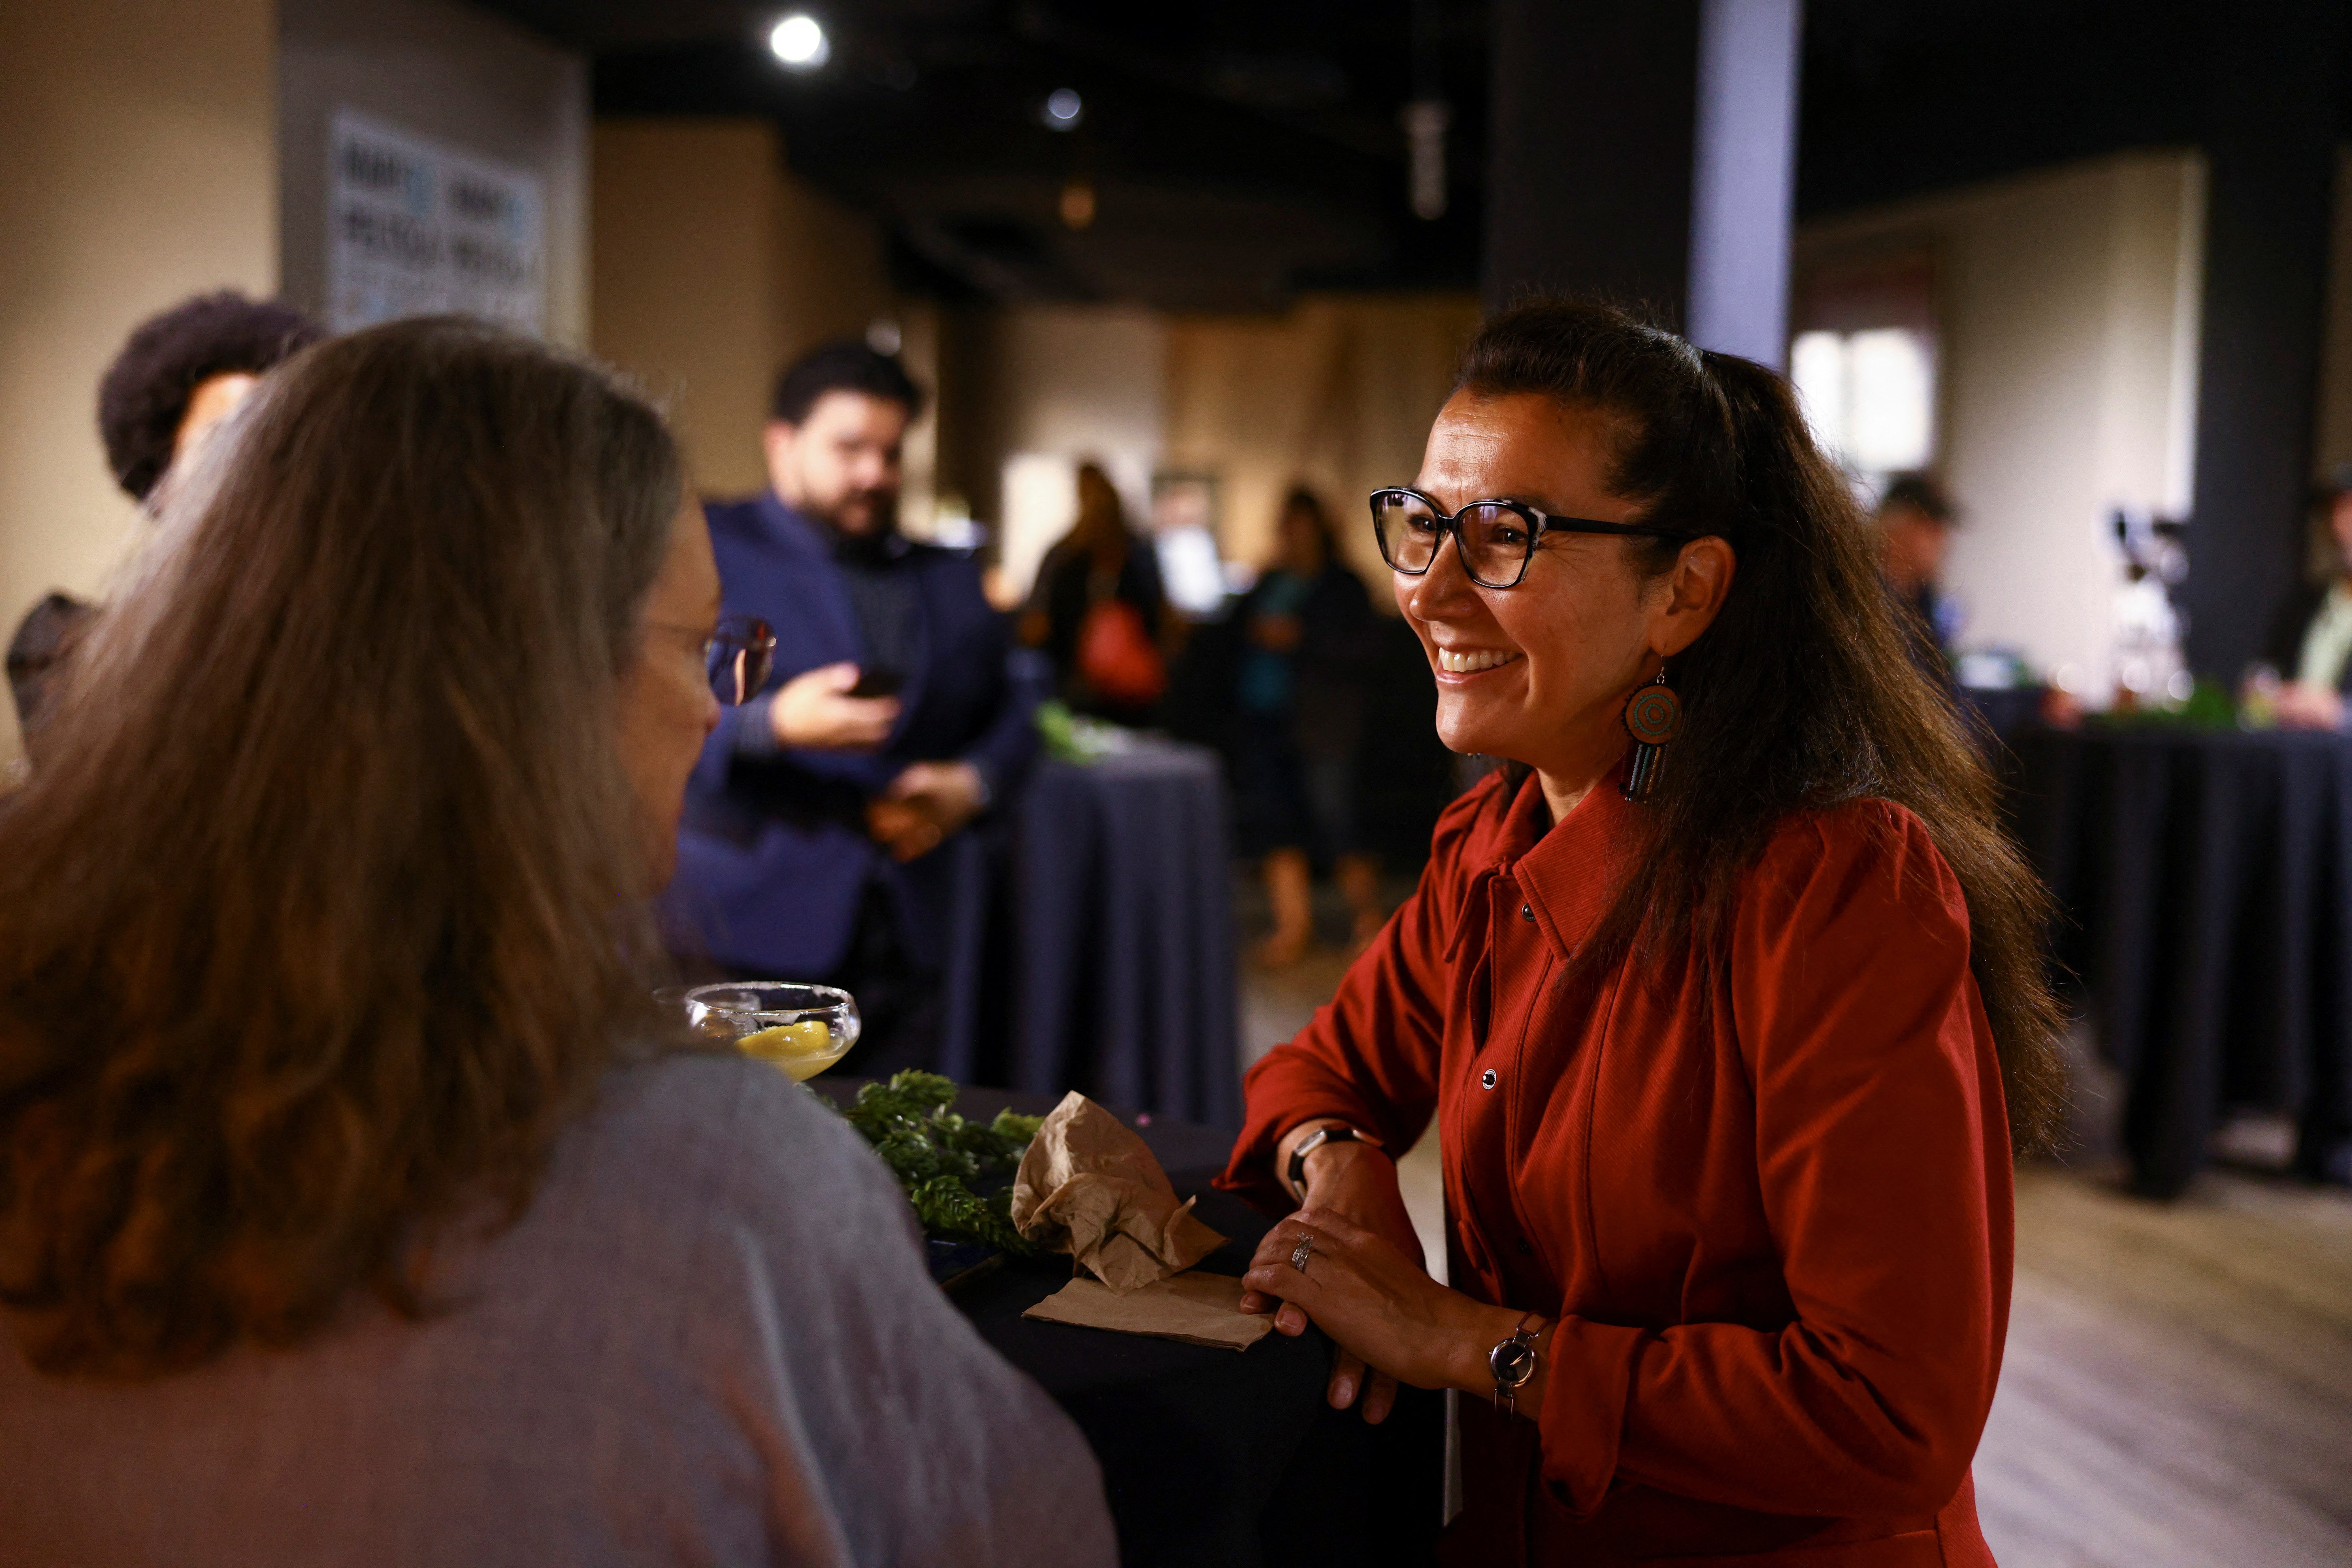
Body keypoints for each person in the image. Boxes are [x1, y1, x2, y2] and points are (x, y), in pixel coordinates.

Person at [0, 318, 1114, 1567]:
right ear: (521, 680)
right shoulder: (711, 1180)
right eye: (697, 649)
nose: (710, 703)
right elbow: (1032, 1531)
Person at [1219, 301, 2065, 1566]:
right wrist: (1342, 1169)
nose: (1432, 589)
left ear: (1685, 593)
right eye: (1424, 525)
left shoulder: (1832, 889)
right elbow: (1316, 1072)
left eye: (1506, 536)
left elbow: (1894, 1417)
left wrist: (1461, 1339)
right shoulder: (1488, 848)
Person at [669, 342, 1041, 1074]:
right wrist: (765, 725)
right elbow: (622, 697)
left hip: (911, 928)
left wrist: (972, 784)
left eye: (890, 452)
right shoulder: (699, 545)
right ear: (782, 444)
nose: (875, 474)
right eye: (849, 448)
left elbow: (1023, 706)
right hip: (739, 925)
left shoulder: (946, 576)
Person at [6, 291, 324, 739]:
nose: (255, 466)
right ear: (163, 479)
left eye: (282, 443)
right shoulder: (66, 651)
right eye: (221, 442)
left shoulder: (348, 629)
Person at [1231, 487, 1384, 965]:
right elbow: (1235, 631)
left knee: (1337, 820)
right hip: (1267, 723)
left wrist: (1300, 639)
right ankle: (1293, 927)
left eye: (1300, 524)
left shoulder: (1342, 584)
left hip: (1324, 724)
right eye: (1286, 525)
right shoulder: (1269, 580)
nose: (1291, 534)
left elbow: (1365, 649)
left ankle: (1371, 924)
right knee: (1279, 826)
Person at [1019, 461, 1172, 726]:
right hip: (1090, 687)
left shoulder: (1071, 557)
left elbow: (1039, 623)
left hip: (1117, 688)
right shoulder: (1068, 558)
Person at [2263, 467, 2352, 729]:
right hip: (2296, 761)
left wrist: (2341, 712)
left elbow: (2335, 712)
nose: (2343, 525)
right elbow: (2268, 675)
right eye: (2339, 510)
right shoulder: (2303, 604)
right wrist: (2268, 697)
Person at [1876, 471, 1962, 675]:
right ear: (1893, 525)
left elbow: (1945, 690)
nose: (1942, 541)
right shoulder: (1860, 595)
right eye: (1930, 528)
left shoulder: (1924, 601)